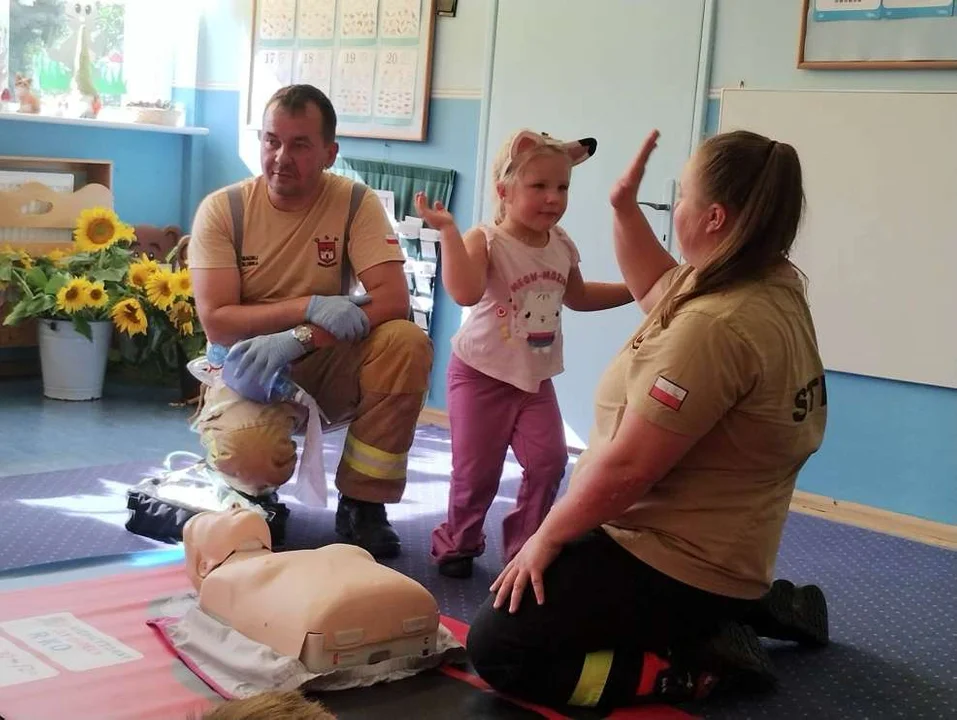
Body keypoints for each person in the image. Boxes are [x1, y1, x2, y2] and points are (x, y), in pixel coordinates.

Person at [465, 129, 831, 711]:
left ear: (712, 217)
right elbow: (655, 285)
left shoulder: (713, 327)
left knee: (500, 649)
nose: (673, 207)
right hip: (719, 539)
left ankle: (686, 661)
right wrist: (622, 208)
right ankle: (737, 606)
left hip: (668, 552)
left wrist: (547, 535)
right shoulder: (768, 281)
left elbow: (630, 468)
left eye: (679, 196)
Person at [188, 84, 433, 559]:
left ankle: (364, 502)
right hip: (246, 365)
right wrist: (306, 306)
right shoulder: (224, 210)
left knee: (406, 343)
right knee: (250, 453)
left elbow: (393, 300)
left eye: (300, 144)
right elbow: (217, 322)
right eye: (271, 140)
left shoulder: (354, 203)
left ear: (329, 152)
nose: (282, 156)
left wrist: (302, 335)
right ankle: (253, 493)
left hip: (321, 358)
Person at [415, 130, 634, 580]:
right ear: (504, 191)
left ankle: (526, 549)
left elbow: (578, 296)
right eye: (539, 187)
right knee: (477, 474)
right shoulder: (488, 240)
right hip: (479, 375)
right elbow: (464, 291)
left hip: (534, 380)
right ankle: (459, 542)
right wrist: (451, 232)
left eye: (563, 187)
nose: (553, 198)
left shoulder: (561, 244)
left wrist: (638, 288)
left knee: (549, 461)